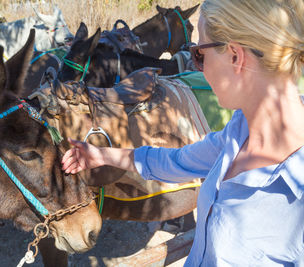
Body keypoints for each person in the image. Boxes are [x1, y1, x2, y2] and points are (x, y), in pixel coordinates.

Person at [61, 0, 304, 265]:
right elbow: (175, 161)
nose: (195, 65)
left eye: (199, 54)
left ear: (235, 57)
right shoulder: (238, 132)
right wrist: (101, 155)